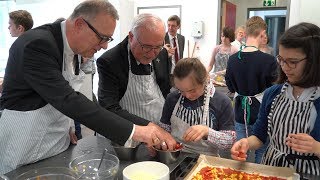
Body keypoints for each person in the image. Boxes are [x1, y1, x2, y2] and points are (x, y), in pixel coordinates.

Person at [0, 0, 176, 174]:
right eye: (103, 38)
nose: (105, 45)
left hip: (55, 141)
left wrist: (64, 123)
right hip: (24, 142)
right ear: (79, 25)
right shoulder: (36, 45)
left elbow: (61, 93)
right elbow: (68, 99)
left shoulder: (73, 50)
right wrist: (136, 131)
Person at [231, 22, 320, 175]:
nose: (285, 67)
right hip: (271, 169)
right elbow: (259, 136)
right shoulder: (273, 93)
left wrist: (316, 147)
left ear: (314, 60)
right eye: (281, 59)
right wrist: (246, 142)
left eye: (292, 62)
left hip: (308, 174)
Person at [97, 13, 172, 125]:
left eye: (157, 47)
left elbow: (166, 91)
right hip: (128, 129)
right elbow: (109, 107)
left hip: (160, 126)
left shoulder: (162, 53)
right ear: (131, 37)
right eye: (146, 47)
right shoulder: (110, 61)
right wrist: (148, 126)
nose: (152, 53)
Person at [225, 16, 277, 163]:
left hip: (240, 110)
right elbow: (273, 89)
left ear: (246, 33)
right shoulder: (269, 60)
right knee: (262, 152)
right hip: (263, 112)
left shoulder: (233, 59)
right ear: (262, 34)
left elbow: (229, 85)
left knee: (241, 151)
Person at [159, 57, 236, 156]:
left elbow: (230, 141)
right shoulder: (172, 98)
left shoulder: (221, 101)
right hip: (175, 155)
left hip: (206, 160)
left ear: (205, 80)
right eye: (181, 90)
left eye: (192, 90)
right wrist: (160, 140)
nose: (187, 95)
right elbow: (164, 129)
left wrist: (207, 132)